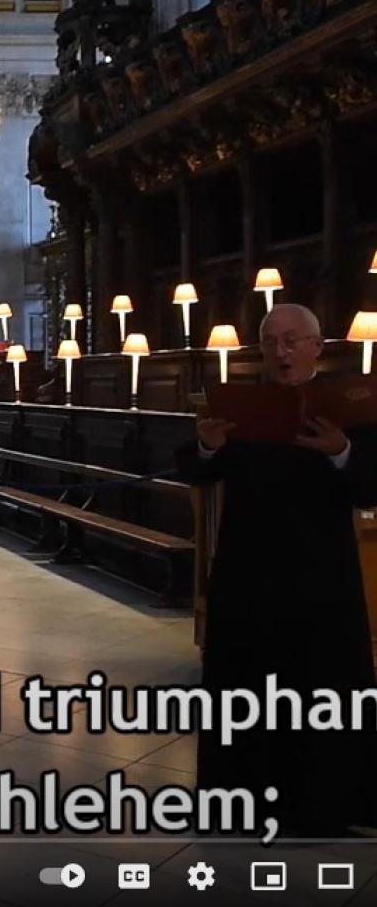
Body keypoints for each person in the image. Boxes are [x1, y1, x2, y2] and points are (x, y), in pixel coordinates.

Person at [177, 303, 377, 837]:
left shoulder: (351, 409)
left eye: (292, 341)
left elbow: (369, 487)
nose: (281, 352)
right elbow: (194, 470)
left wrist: (341, 453)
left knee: (322, 691)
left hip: (322, 579)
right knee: (247, 690)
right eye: (270, 343)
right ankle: (239, 801)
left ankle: (326, 806)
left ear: (317, 346)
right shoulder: (243, 408)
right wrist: (208, 444)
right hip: (249, 573)